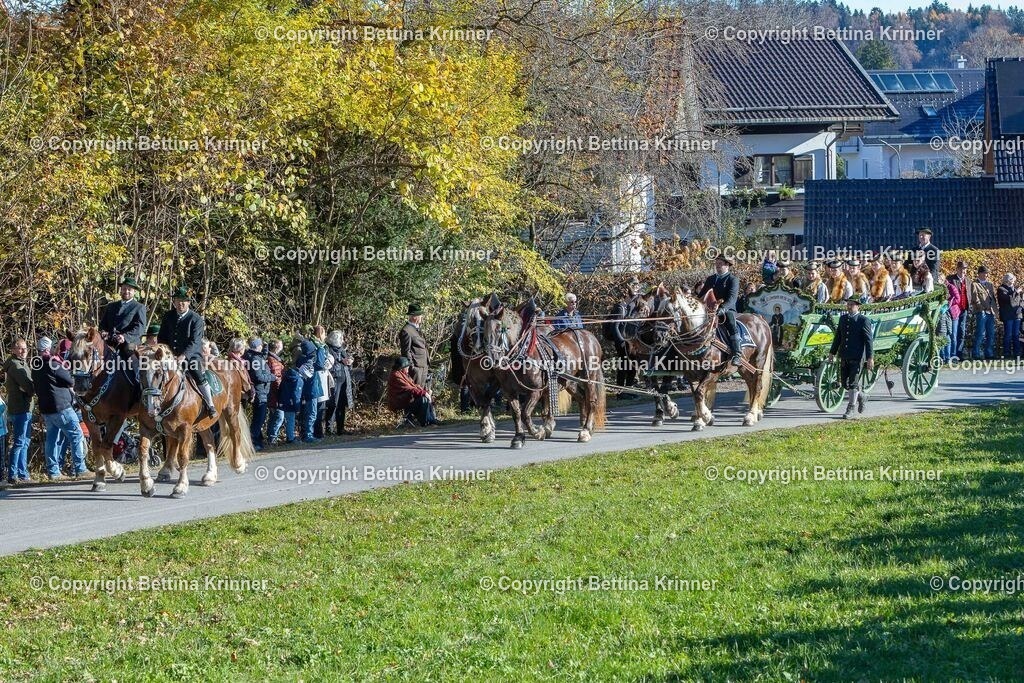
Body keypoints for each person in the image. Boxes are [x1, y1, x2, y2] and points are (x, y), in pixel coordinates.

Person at [157, 286, 217, 419]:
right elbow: (162, 337)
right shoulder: (168, 316)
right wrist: (166, 353)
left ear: (188, 302)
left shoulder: (196, 319)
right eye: (178, 300)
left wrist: (183, 356)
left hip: (191, 356)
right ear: (174, 302)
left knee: (196, 372)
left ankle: (210, 404)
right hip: (170, 356)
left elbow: (195, 342)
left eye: (183, 301)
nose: (181, 303)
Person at [32, 336, 87, 480]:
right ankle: (80, 468)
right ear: (48, 349)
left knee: (52, 440)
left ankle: (54, 472)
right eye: (53, 347)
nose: (55, 349)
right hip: (62, 407)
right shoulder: (53, 363)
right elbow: (70, 380)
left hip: (46, 409)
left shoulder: (36, 366)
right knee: (76, 435)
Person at [828, 297, 874, 420]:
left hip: (857, 356)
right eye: (848, 304)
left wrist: (870, 358)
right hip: (844, 355)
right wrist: (832, 352)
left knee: (853, 383)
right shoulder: (843, 319)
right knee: (845, 384)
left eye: (852, 305)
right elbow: (838, 337)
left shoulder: (863, 320)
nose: (849, 307)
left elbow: (868, 340)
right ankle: (861, 396)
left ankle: (851, 408)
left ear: (858, 306)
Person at [697, 254, 742, 366]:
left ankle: (737, 354)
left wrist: (722, 309)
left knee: (731, 323)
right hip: (709, 310)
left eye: (720, 264)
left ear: (727, 265)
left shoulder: (733, 279)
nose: (717, 266)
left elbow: (732, 299)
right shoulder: (710, 279)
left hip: (726, 310)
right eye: (716, 263)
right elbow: (701, 296)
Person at [3, 338, 34, 484]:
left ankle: (23, 474)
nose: (23, 351)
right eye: (20, 348)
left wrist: (28, 388)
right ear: (13, 350)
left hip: (26, 407)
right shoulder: (15, 365)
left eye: (25, 348)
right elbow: (29, 387)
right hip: (20, 408)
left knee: (25, 442)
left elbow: (28, 386)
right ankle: (12, 474)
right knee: (19, 442)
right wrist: (30, 389)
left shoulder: (22, 363)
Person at [99, 275, 147, 359]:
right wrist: (103, 332)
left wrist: (125, 337)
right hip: (110, 340)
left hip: (131, 342)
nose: (126, 291)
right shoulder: (111, 306)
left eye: (129, 289)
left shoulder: (139, 307)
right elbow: (103, 324)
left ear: (134, 291)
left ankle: (136, 368)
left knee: (129, 351)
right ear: (121, 290)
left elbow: (140, 328)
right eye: (124, 289)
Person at [605, 280, 640, 394]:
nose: (634, 299)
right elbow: (614, 326)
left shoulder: (626, 307)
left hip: (627, 340)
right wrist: (621, 341)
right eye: (632, 297)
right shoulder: (620, 308)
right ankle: (620, 392)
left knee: (631, 366)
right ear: (627, 296)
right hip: (621, 341)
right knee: (624, 365)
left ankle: (628, 391)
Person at [387, 356, 439, 427]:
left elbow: (414, 386)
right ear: (402, 368)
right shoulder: (395, 375)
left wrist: (425, 392)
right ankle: (426, 423)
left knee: (425, 397)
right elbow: (408, 388)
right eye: (407, 367)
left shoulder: (403, 374)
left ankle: (432, 421)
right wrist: (424, 393)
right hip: (400, 402)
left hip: (407, 400)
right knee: (423, 399)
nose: (408, 369)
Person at [243, 337, 275, 451]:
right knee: (259, 419)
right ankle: (254, 443)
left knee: (258, 418)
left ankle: (258, 441)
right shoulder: (255, 359)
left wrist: (265, 347)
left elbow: (263, 356)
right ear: (258, 346)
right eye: (261, 345)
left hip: (260, 391)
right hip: (260, 391)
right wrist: (272, 377)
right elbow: (258, 376)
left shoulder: (252, 356)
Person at [324, 329, 354, 435]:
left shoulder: (342, 349)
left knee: (341, 404)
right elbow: (329, 365)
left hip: (344, 380)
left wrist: (350, 360)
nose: (342, 340)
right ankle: (329, 429)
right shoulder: (328, 349)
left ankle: (340, 429)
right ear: (335, 339)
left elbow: (348, 358)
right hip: (334, 380)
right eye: (341, 338)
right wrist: (341, 361)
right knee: (333, 404)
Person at [295, 339, 323, 443]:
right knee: (312, 413)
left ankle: (304, 433)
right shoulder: (310, 360)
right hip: (311, 390)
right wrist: (320, 349)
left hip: (303, 390)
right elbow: (320, 365)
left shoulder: (300, 359)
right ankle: (308, 435)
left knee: (305, 413)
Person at [398, 303, 430, 387]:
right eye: (420, 315)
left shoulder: (417, 329)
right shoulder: (406, 331)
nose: (421, 317)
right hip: (416, 369)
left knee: (421, 392)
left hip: (423, 368)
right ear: (414, 317)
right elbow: (406, 352)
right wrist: (412, 368)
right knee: (414, 392)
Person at [310, 326, 333, 438]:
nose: (325, 336)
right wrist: (324, 364)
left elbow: (329, 357)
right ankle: (317, 432)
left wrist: (329, 361)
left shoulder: (323, 346)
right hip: (317, 379)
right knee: (317, 407)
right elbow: (318, 363)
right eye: (324, 333)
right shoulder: (315, 346)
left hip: (323, 378)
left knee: (321, 406)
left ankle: (319, 431)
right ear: (319, 334)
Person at [277, 353, 304, 444]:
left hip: (283, 401)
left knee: (281, 420)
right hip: (292, 403)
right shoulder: (298, 380)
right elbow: (296, 394)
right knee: (291, 420)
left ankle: (273, 437)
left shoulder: (285, 376)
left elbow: (280, 389)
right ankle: (290, 438)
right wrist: (297, 407)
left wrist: (280, 400)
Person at [971, 265, 997, 360]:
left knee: (991, 333)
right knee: (980, 333)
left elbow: (993, 299)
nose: (986, 275)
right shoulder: (975, 284)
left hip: (990, 312)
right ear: (980, 274)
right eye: (985, 273)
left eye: (987, 273)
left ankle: (988, 353)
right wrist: (982, 308)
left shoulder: (990, 284)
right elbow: (975, 298)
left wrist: (994, 310)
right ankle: (976, 353)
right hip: (981, 312)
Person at [947, 260, 970, 360]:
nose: (963, 271)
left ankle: (959, 353)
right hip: (954, 310)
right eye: (961, 269)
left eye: (964, 269)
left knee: (962, 332)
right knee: (953, 333)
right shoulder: (951, 279)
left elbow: (969, 294)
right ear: (957, 269)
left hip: (964, 309)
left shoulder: (968, 280)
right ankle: (953, 354)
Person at [265, 339, 286, 444]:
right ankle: (272, 437)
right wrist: (280, 390)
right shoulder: (272, 360)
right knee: (279, 416)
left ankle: (271, 436)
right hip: (275, 392)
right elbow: (276, 377)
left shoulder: (274, 359)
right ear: (277, 348)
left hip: (274, 392)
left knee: (274, 416)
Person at [997, 273, 1022, 359]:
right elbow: (1008, 300)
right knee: (1008, 334)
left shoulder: (1015, 288)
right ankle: (1006, 353)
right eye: (1012, 280)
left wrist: (1020, 308)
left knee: (1016, 334)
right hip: (1008, 315)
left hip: (1017, 315)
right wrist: (1016, 292)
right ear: (1008, 280)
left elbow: (1021, 300)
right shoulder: (1001, 289)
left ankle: (1017, 352)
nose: (1013, 281)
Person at [944, 268, 966, 362]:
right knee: (946, 334)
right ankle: (946, 356)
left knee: (954, 335)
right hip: (945, 313)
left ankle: (954, 355)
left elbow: (958, 299)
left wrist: (949, 302)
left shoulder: (951, 287)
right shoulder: (941, 288)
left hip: (954, 313)